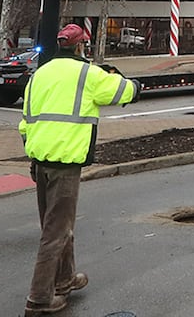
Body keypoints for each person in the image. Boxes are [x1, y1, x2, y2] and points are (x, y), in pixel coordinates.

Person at [19, 23, 140, 315]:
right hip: (65, 165)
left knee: (59, 228)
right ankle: (39, 299)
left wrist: (34, 151)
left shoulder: (40, 74)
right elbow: (125, 92)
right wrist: (132, 83)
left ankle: (65, 280)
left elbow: (25, 120)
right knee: (55, 233)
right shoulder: (88, 74)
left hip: (40, 162)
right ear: (80, 47)